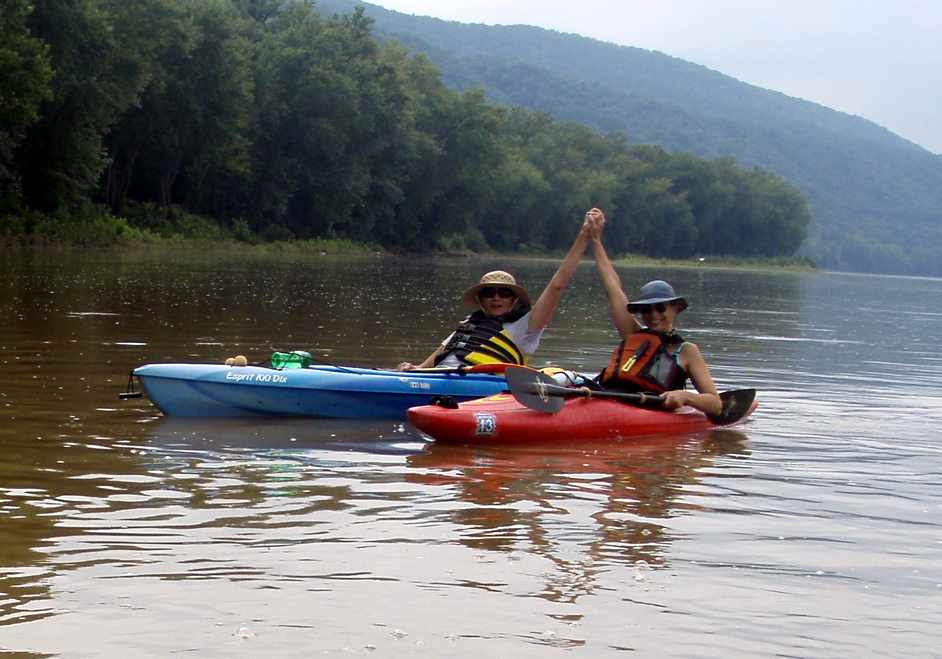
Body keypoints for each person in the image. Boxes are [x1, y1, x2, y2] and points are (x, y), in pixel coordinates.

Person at [396, 212, 595, 371]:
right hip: (441, 377)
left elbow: (556, 287)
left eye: (504, 293)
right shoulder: (469, 324)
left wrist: (583, 237)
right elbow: (443, 351)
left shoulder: (525, 328)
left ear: (514, 300)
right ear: (480, 299)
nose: (496, 297)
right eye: (489, 292)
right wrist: (418, 369)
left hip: (480, 386)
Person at [584, 208, 722, 416]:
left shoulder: (686, 351)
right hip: (608, 398)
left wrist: (686, 397)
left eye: (660, 308)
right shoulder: (632, 333)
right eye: (646, 309)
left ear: (675, 308)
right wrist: (595, 240)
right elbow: (613, 288)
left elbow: (716, 404)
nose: (653, 315)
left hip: (645, 409)